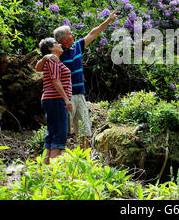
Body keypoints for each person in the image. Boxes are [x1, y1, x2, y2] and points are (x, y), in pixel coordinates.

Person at [36, 11, 118, 149]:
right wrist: (45, 58)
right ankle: (62, 162)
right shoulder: (57, 53)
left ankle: (83, 162)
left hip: (80, 95)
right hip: (64, 97)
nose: (73, 35)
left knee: (85, 131)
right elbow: (38, 68)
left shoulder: (76, 47)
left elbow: (93, 33)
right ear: (63, 39)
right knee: (64, 132)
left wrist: (108, 20)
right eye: (70, 34)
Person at [38, 37, 73, 164]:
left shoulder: (53, 60)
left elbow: (38, 68)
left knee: (52, 134)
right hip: (56, 99)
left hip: (51, 100)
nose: (59, 44)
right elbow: (55, 81)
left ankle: (45, 170)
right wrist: (66, 100)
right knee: (59, 135)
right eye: (56, 43)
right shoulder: (53, 61)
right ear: (50, 48)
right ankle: (54, 173)